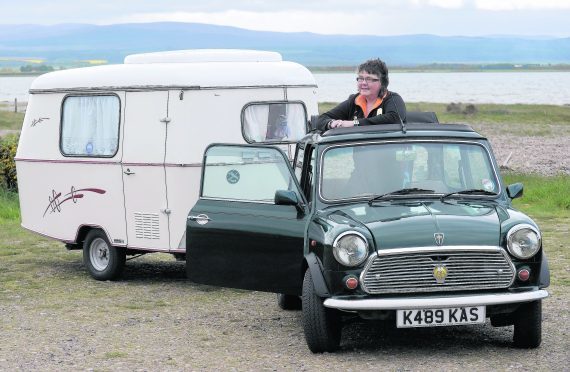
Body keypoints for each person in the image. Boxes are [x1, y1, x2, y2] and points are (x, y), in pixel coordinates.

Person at [317, 58, 406, 130]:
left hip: (385, 150)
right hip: (358, 151)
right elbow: (322, 119)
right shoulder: (354, 101)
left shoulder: (393, 99)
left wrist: (354, 123)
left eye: (369, 79)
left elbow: (395, 118)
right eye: (360, 78)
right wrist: (332, 124)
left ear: (382, 82)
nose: (363, 83)